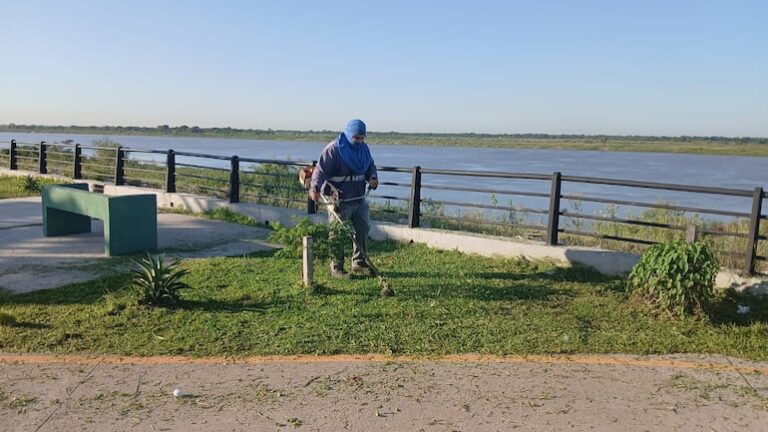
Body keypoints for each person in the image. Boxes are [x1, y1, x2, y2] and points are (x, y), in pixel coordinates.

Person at [309, 119, 379, 278]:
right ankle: (337, 268)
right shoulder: (333, 150)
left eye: (362, 137)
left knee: (363, 228)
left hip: (359, 198)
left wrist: (373, 177)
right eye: (356, 137)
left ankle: (359, 263)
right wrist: (314, 188)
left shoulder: (364, 149)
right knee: (338, 233)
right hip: (339, 200)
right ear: (349, 134)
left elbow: (370, 166)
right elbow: (320, 170)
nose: (360, 141)